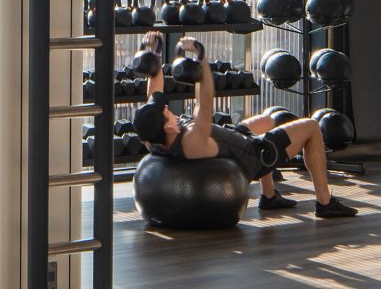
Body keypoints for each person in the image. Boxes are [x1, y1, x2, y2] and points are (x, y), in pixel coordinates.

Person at [129, 33, 356, 218]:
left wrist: (152, 53)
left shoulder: (152, 138)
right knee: (311, 127)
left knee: (267, 119)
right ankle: (325, 203)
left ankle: (269, 197)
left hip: (233, 139)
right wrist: (200, 56)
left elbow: (154, 94)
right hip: (254, 156)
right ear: (167, 128)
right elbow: (205, 102)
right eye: (166, 113)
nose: (168, 109)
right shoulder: (191, 141)